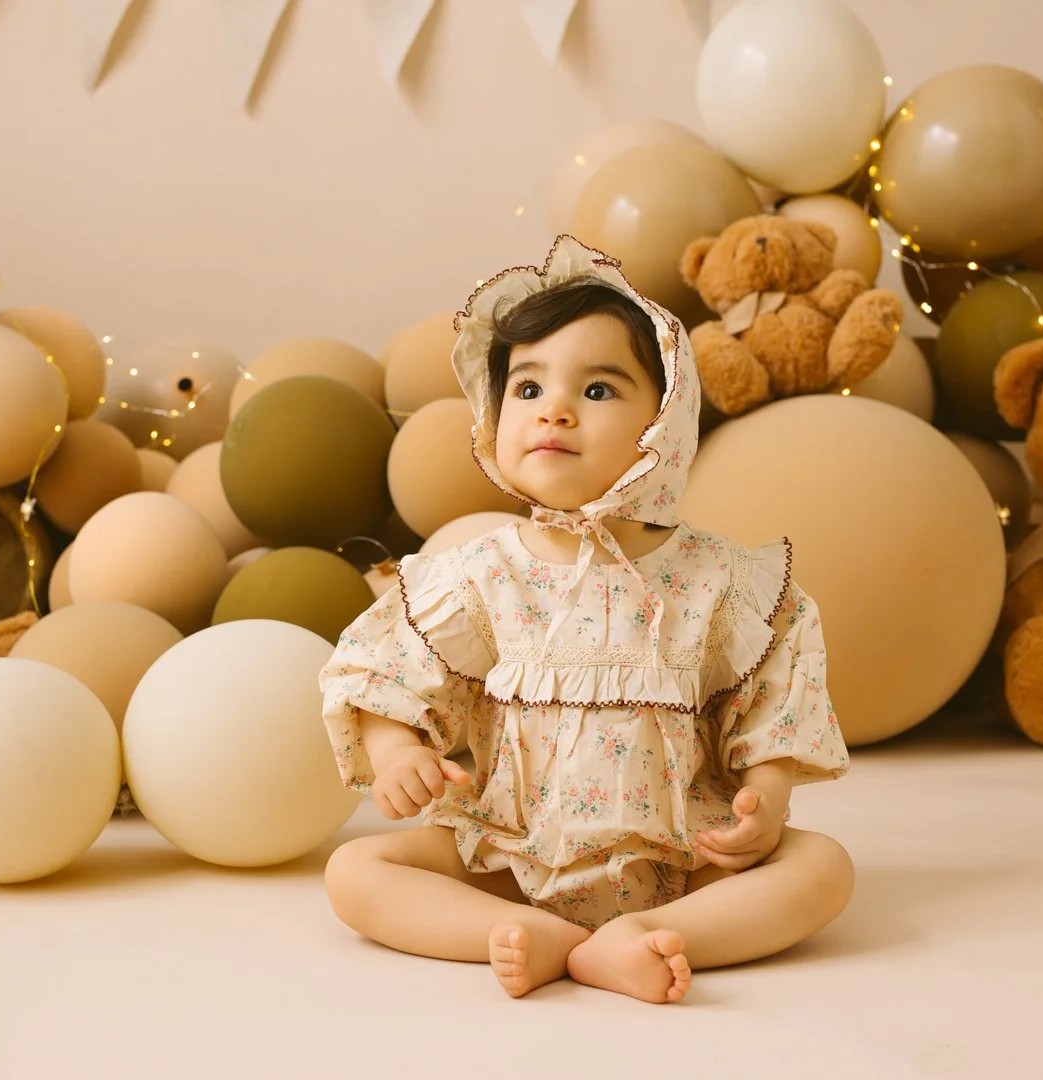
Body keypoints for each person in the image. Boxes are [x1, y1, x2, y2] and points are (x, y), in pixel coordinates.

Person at [317, 235, 853, 1005]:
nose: (555, 411)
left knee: (822, 866)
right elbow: (387, 671)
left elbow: (775, 701)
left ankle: (651, 936)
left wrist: (764, 804)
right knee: (355, 872)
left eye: (598, 391)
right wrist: (396, 748)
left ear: (667, 420)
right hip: (507, 853)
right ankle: (529, 935)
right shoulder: (481, 573)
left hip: (679, 855)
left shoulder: (718, 580)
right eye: (528, 390)